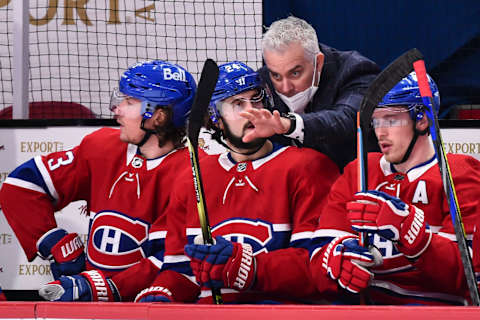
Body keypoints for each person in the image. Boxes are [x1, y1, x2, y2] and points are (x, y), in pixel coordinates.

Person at [133, 61, 340, 304]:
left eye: (256, 99)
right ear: (215, 118)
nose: (252, 111)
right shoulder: (193, 177)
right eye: (237, 104)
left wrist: (249, 267)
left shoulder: (309, 167)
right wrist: (163, 293)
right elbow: (181, 270)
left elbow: (318, 267)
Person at [0, 60, 197, 302]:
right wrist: (51, 241)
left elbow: (169, 261)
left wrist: (104, 288)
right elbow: (22, 186)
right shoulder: (103, 147)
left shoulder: (193, 172)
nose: (117, 109)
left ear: (157, 116)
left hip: (149, 307)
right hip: (93, 302)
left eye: (129, 102)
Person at [308, 72, 480, 305]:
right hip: (368, 311)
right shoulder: (359, 171)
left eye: (391, 120)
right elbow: (318, 257)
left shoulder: (459, 172)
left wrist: (415, 235)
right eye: (376, 121)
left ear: (422, 119)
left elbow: (469, 276)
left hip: (436, 312)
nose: (381, 132)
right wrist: (335, 261)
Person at [241, 16, 380, 171]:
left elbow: (347, 119)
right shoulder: (264, 80)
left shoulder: (355, 69)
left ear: (318, 62)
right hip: (294, 183)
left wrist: (289, 124)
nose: (285, 88)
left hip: (348, 181)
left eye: (295, 73)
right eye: (277, 76)